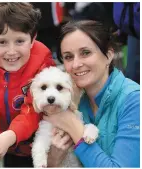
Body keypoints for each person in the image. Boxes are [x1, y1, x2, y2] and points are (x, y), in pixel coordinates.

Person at [0, 2, 55, 167]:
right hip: (8, 146)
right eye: (2, 42)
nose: (11, 51)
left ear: (33, 38)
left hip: (43, 145)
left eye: (20, 41)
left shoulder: (42, 60)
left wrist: (10, 136)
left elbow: (36, 108)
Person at [44, 20, 140, 167]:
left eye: (86, 53)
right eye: (69, 57)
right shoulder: (68, 100)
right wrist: (53, 160)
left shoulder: (134, 100)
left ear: (108, 55)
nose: (76, 64)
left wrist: (74, 127)